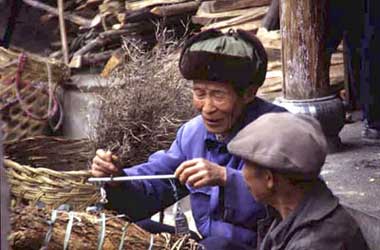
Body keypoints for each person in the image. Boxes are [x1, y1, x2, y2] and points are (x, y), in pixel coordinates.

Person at [91, 28, 287, 249]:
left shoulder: (278, 128)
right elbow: (160, 179)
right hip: (208, 244)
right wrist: (116, 178)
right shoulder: (192, 133)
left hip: (265, 245)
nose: (207, 108)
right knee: (134, 229)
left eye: (218, 95)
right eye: (199, 93)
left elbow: (290, 195)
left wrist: (225, 177)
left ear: (249, 94)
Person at [228, 113, 369, 250]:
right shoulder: (288, 213)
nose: (243, 173)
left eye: (246, 165)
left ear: (268, 178)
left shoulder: (316, 242)